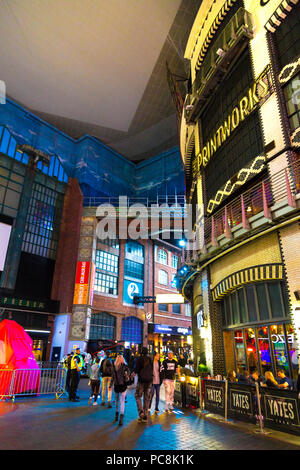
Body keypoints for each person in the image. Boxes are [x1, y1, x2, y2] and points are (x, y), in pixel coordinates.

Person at [111, 355, 131, 426]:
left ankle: (116, 415)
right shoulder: (125, 367)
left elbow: (112, 377)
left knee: (117, 400)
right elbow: (128, 376)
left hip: (116, 385)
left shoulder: (114, 367)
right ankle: (121, 418)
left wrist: (110, 385)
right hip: (123, 385)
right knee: (122, 401)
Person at [134, 347, 153, 423]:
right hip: (149, 381)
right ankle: (145, 415)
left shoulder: (140, 359)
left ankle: (141, 412)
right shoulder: (150, 359)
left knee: (138, 396)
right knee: (147, 398)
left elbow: (136, 369)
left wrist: (133, 373)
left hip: (141, 381)